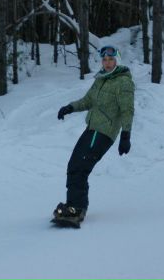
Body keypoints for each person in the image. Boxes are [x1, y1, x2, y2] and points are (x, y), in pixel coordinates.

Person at [53, 45, 135, 226]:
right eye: (105, 60)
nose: (107, 63)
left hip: (104, 132)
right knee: (74, 165)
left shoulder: (123, 82)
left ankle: (77, 209)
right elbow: (88, 100)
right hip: (92, 129)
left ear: (117, 60)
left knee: (81, 167)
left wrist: (126, 135)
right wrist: (70, 107)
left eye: (111, 59)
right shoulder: (101, 79)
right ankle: (73, 205)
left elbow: (127, 110)